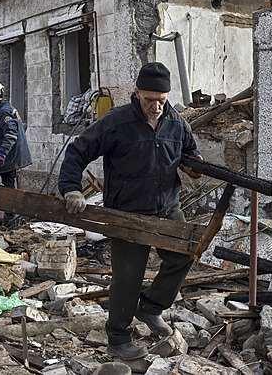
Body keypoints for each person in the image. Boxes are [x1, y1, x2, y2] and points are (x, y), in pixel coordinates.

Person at [58, 62, 203, 360]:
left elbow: (190, 151)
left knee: (184, 255)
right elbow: (78, 150)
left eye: (161, 100)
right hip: (127, 212)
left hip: (167, 206)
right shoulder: (116, 122)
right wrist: (71, 188)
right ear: (137, 93)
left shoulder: (175, 121)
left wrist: (194, 164)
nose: (156, 106)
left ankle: (150, 308)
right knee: (128, 275)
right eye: (149, 99)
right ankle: (118, 338)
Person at [0, 80, 32, 227]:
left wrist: (2, 153)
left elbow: (11, 135)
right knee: (8, 188)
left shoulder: (4, 112)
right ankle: (9, 221)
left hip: (5, 157)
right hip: (3, 157)